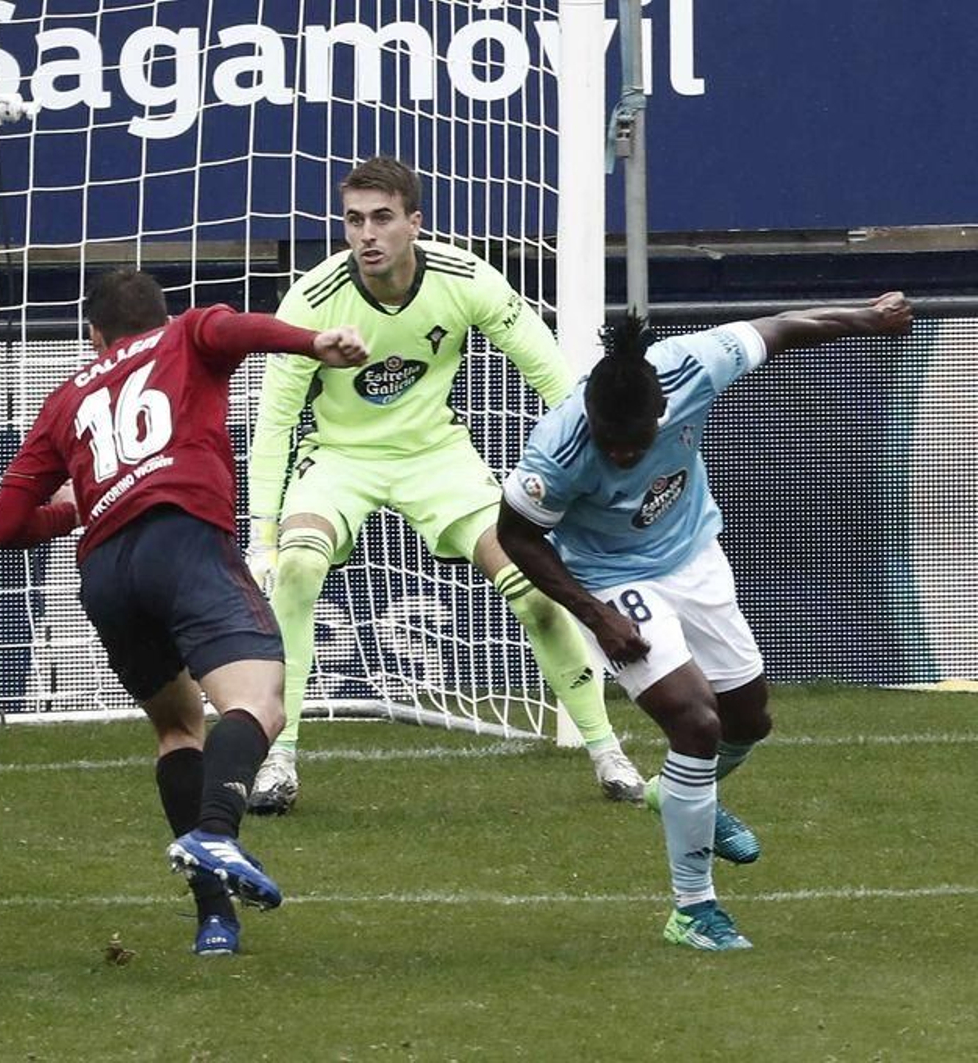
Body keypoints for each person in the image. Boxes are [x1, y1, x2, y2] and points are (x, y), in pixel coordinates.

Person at [497, 293, 914, 949]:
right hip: (611, 578)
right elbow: (516, 537)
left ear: (662, 410)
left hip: (693, 553)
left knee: (749, 720)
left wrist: (870, 318)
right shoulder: (560, 447)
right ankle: (693, 909)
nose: (625, 457)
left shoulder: (690, 366)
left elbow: (778, 329)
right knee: (695, 720)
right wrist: (594, 613)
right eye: (613, 445)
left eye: (637, 444)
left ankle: (681, 793)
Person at [0, 268, 369, 956]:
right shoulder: (186, 334)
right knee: (260, 701)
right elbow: (235, 328)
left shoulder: (66, 397)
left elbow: (3, 525)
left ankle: (215, 921)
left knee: (177, 726)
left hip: (106, 574)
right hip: (182, 540)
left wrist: (74, 507)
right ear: (161, 316)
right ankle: (217, 828)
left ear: (94, 335)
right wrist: (315, 341)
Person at [245, 155, 643, 814]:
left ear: (413, 223)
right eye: (353, 220)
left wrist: (587, 475)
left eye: (381, 218)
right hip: (340, 459)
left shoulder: (466, 278)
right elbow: (275, 422)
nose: (365, 234)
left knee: (533, 585)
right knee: (296, 572)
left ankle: (606, 750)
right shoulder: (313, 299)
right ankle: (278, 759)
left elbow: (553, 381)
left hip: (438, 457)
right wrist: (262, 534)